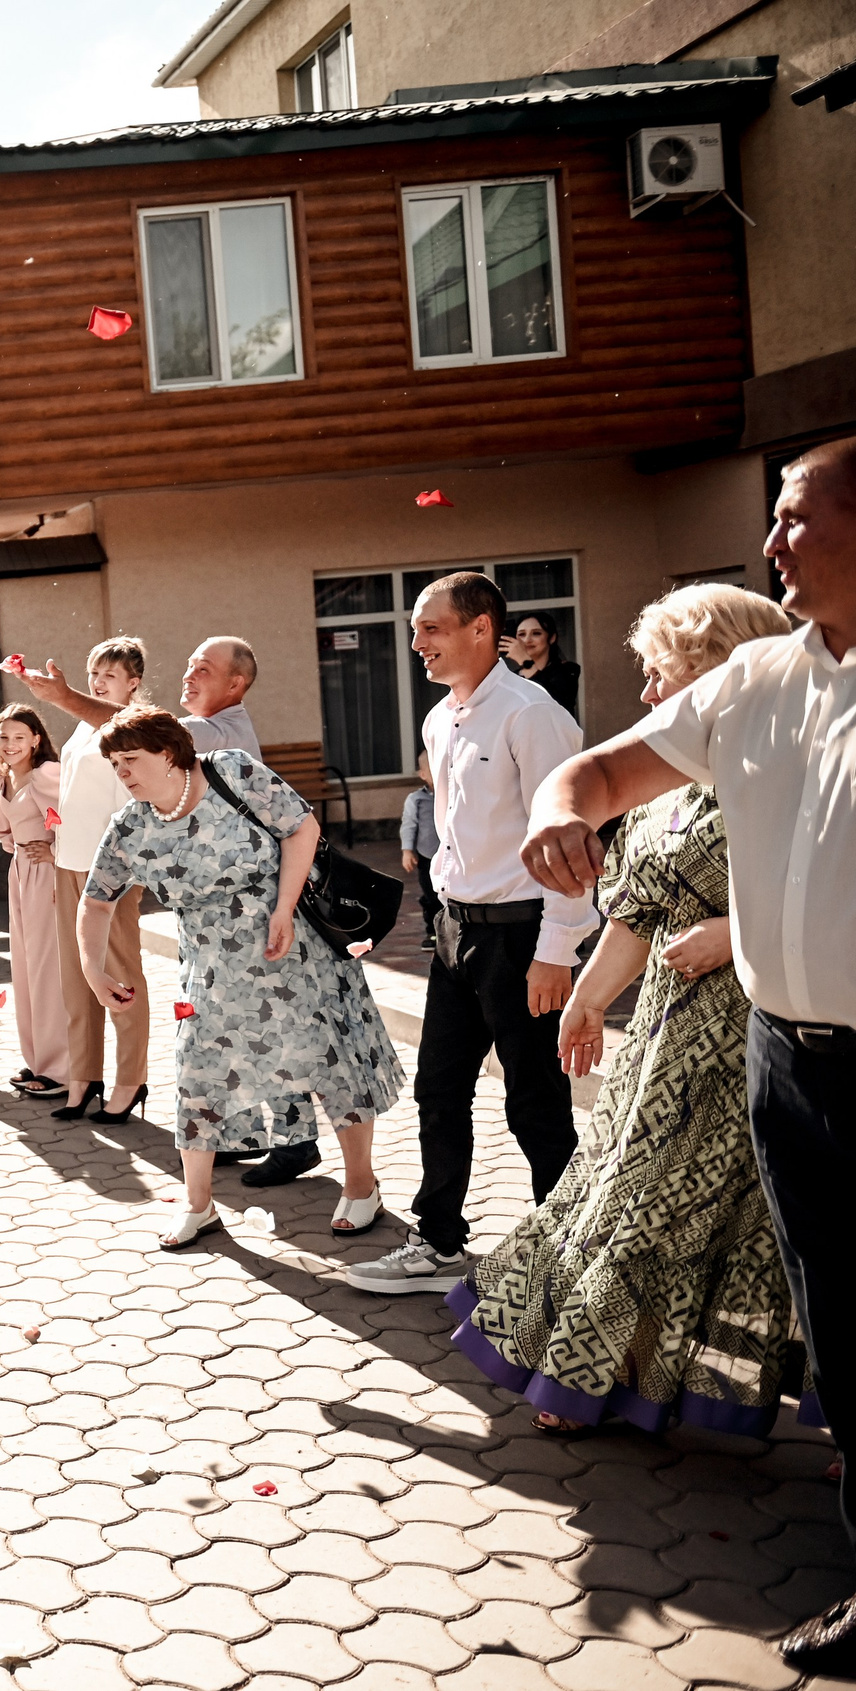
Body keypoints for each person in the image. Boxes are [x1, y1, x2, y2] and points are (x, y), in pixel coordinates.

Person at [520, 439, 856, 1676]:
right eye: (770, 520)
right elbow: (602, 770)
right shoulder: (757, 680)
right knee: (839, 1316)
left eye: (797, 519)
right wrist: (563, 810)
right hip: (789, 1058)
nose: (772, 543)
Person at [448, 584, 795, 1437]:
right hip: (666, 1039)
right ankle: (595, 1371)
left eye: (659, 675)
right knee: (628, 1199)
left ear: (717, 671)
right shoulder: (664, 785)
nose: (644, 697)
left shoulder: (783, 763)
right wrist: (589, 1002)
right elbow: (639, 913)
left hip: (757, 1027)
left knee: (725, 1221)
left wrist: (734, 929)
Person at [349, 573, 595, 1295]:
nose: (417, 641)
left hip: (522, 941)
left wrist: (557, 952)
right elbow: (454, 836)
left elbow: (573, 847)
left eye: (431, 627)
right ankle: (439, 1241)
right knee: (440, 1089)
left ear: (481, 628)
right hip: (457, 935)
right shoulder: (441, 717)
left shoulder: (532, 714)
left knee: (536, 1105)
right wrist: (439, 919)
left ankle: (570, 1256)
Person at [76, 709, 403, 1247]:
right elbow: (95, 903)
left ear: (168, 752)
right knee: (197, 1074)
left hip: (293, 950)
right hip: (209, 973)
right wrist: (93, 969)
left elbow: (302, 827)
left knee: (330, 1063)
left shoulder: (231, 771)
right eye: (114, 763)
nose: (123, 772)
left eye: (131, 759)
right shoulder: (131, 826)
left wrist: (283, 908)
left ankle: (362, 1186)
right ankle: (198, 1205)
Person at [37, 638, 152, 1124]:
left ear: (133, 683)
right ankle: (83, 1078)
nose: (99, 681)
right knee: (77, 974)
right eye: (95, 673)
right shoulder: (83, 729)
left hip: (113, 866)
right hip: (69, 861)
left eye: (110, 674)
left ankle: (130, 1080)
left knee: (120, 972)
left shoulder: (132, 726)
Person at [0, 704, 65, 1097]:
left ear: (36, 739)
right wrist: (21, 851)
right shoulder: (0, 779)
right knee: (25, 965)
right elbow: (3, 830)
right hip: (20, 873)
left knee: (49, 970)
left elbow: (76, 817)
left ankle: (61, 1070)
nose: (11, 744)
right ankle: (36, 1059)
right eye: (4, 737)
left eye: (20, 737)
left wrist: (55, 854)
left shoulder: (45, 774)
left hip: (49, 875)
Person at [18, 634, 262, 759]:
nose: (188, 676)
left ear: (234, 684)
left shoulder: (223, 734)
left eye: (203, 669)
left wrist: (64, 696)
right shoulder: (83, 731)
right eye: (189, 666)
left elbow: (141, 726)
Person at [504, 608, 582, 722]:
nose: (527, 640)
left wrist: (526, 663)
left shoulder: (567, 670)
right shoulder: (511, 678)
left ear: (552, 638)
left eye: (536, 633)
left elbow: (556, 704)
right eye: (521, 634)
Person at [401, 747, 440, 950]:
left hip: (452, 855)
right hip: (427, 856)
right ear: (422, 774)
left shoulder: (456, 796)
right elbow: (409, 825)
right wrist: (407, 850)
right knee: (431, 895)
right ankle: (432, 933)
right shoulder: (416, 800)